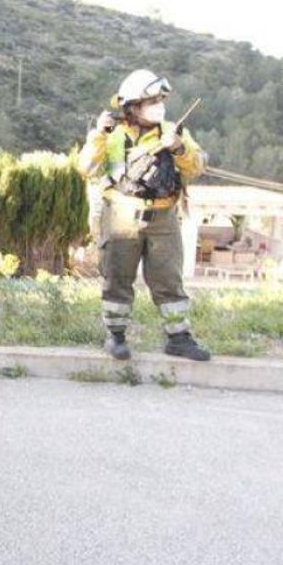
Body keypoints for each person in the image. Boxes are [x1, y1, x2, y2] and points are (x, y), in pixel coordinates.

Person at [79, 69, 210, 362]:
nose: (159, 105)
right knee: (117, 277)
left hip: (163, 217)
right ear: (133, 106)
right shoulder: (110, 133)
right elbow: (86, 167)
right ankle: (116, 338)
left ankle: (178, 338)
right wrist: (99, 135)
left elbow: (196, 167)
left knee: (168, 279)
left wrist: (178, 147)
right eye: (151, 100)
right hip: (120, 216)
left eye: (160, 100)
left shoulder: (173, 132)